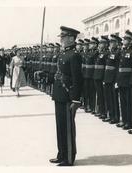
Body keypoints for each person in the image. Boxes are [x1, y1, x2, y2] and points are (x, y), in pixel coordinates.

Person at [50, 26, 83, 166]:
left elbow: (77, 79)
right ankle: (61, 153)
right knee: (60, 126)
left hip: (68, 96)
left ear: (71, 38)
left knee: (68, 127)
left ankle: (69, 158)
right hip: (59, 95)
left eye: (63, 37)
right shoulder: (63, 54)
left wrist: (76, 99)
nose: (61, 39)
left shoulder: (74, 55)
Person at [117, 30, 132, 130]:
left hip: (128, 81)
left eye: (125, 39)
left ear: (130, 41)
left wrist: (131, 81)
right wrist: (118, 81)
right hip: (121, 80)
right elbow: (119, 67)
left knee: (128, 103)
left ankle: (128, 122)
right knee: (122, 101)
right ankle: (123, 120)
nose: (123, 41)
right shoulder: (122, 51)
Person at [103, 34, 121, 123]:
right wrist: (104, 79)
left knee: (114, 99)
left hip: (113, 79)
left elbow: (118, 68)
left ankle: (116, 117)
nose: (111, 43)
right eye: (110, 42)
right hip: (107, 78)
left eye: (113, 42)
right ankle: (110, 115)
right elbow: (106, 67)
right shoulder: (110, 52)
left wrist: (117, 81)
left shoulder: (118, 53)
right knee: (108, 98)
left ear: (117, 43)